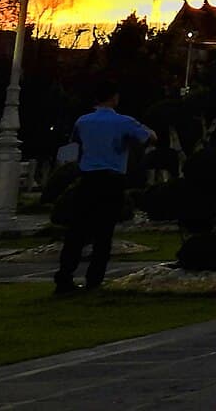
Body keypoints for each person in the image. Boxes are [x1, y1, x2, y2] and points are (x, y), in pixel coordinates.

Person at [54, 79, 153, 293]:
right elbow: (149, 138)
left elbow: (78, 142)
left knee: (77, 231)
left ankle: (64, 276)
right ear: (114, 97)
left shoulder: (83, 121)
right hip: (112, 179)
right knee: (104, 232)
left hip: (88, 178)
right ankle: (94, 279)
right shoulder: (124, 122)